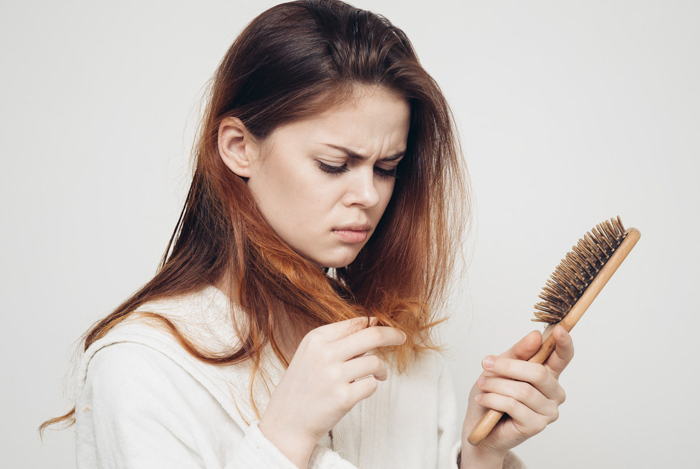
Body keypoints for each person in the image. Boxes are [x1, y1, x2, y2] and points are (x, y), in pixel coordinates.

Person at [42, 1, 573, 468]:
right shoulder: (144, 366)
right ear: (238, 147)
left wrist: (481, 457)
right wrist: (285, 436)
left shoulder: (402, 356)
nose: (368, 194)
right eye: (334, 164)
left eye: (387, 168)